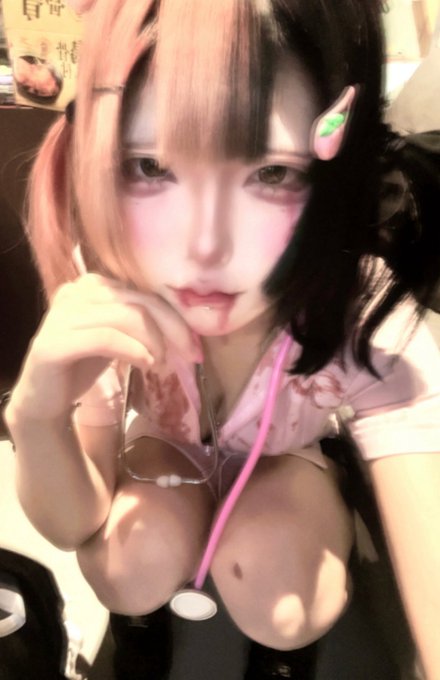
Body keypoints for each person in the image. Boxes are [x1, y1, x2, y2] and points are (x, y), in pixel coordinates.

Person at [4, 0, 440, 678]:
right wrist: (36, 415)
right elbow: (74, 522)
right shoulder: (113, 284)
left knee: (284, 595)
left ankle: (279, 653)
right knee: (128, 564)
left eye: (273, 172)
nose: (205, 248)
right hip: (163, 455)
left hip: (286, 461)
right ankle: (143, 626)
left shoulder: (359, 306)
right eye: (150, 166)